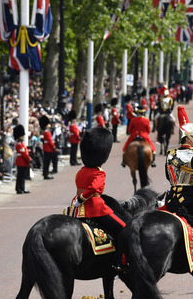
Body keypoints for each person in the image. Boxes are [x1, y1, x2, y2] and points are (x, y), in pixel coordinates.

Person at [68, 127, 128, 272]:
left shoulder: (80, 171)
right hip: (95, 208)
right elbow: (94, 188)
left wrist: (79, 201)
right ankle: (120, 263)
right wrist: (82, 198)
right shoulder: (99, 173)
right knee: (124, 230)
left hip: (77, 209)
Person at [122, 103, 156, 167]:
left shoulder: (133, 119)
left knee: (125, 148)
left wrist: (134, 133)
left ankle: (123, 161)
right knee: (153, 148)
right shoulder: (146, 120)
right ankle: (153, 161)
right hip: (144, 135)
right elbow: (148, 130)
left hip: (134, 135)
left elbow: (129, 129)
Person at [13, 124, 31, 194]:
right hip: (21, 162)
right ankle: (18, 188)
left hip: (24, 161)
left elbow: (26, 151)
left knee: (23, 176)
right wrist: (29, 159)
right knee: (20, 176)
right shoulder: (19, 144)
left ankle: (22, 188)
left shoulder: (21, 143)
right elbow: (23, 153)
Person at [40, 115, 58, 180]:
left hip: (47, 148)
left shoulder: (46, 132)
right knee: (47, 163)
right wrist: (54, 147)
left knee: (46, 163)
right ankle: (46, 174)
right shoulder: (47, 132)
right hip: (48, 149)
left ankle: (46, 174)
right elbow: (50, 141)